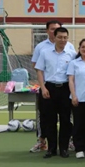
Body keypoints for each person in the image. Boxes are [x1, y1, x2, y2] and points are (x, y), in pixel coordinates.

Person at [29, 20, 75, 153]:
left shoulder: (71, 53)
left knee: (65, 120)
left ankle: (64, 148)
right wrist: (43, 88)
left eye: (65, 37)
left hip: (65, 89)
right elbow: (39, 70)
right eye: (60, 37)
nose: (62, 40)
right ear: (54, 37)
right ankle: (51, 149)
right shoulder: (45, 52)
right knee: (50, 120)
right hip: (49, 88)